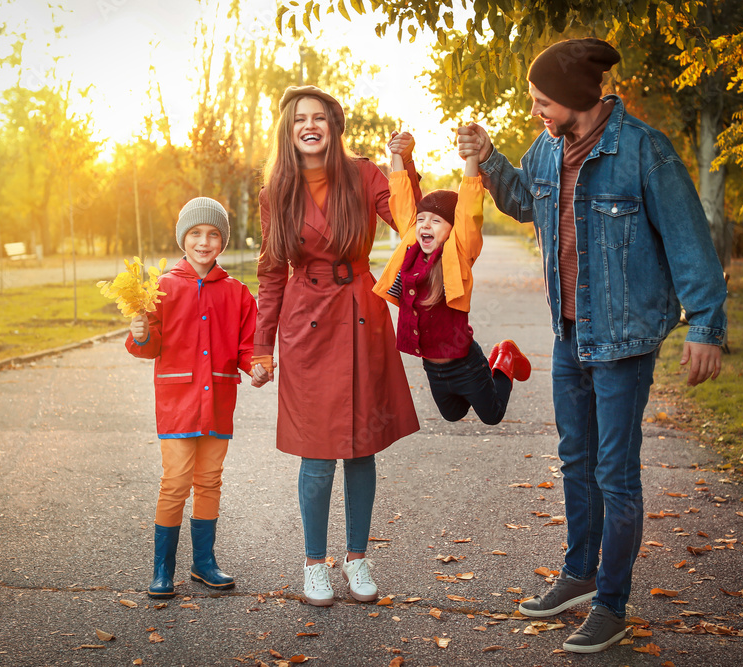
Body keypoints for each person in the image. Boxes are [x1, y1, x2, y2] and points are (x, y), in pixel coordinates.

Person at [457, 38, 727, 653]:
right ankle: (579, 574)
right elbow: (526, 200)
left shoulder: (642, 151)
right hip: (569, 334)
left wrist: (707, 326)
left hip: (624, 340)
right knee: (574, 462)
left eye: (542, 100)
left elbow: (689, 241)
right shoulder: (548, 150)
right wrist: (491, 157)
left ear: (577, 98)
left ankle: (611, 602)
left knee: (614, 475)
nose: (535, 111)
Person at [250, 85, 421, 607]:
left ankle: (358, 558)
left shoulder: (364, 173)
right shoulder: (275, 191)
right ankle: (314, 564)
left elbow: (409, 222)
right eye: (300, 117)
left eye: (319, 117)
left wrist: (402, 164)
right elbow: (272, 272)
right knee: (319, 453)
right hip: (306, 324)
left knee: (362, 446)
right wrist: (262, 346)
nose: (310, 125)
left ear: (333, 126)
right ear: (289, 128)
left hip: (360, 315)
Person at [126, 197, 258, 599]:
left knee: (209, 481)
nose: (204, 242)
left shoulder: (236, 292)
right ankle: (162, 569)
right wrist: (142, 333)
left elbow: (246, 346)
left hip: (218, 399)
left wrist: (256, 366)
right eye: (196, 234)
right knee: (175, 482)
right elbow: (145, 347)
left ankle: (204, 563)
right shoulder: (161, 288)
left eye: (213, 234)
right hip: (178, 403)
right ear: (183, 238)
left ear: (222, 241)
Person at [372, 131, 531, 425]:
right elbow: (402, 201)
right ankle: (486, 372)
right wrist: (395, 155)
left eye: (436, 221)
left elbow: (469, 209)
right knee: (453, 414)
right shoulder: (410, 245)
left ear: (451, 229)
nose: (425, 225)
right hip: (432, 367)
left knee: (492, 415)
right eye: (421, 220)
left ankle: (504, 358)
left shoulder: (458, 252)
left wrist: (472, 159)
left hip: (464, 363)